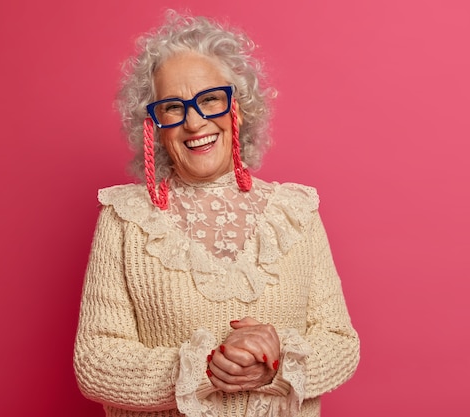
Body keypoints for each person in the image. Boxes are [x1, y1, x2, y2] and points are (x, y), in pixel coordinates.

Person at [73, 10, 359, 417]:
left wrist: (277, 364)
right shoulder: (125, 218)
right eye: (173, 107)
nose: (194, 121)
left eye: (210, 100)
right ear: (154, 125)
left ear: (238, 109)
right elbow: (95, 363)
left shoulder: (296, 213)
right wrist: (201, 369)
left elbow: (341, 342)